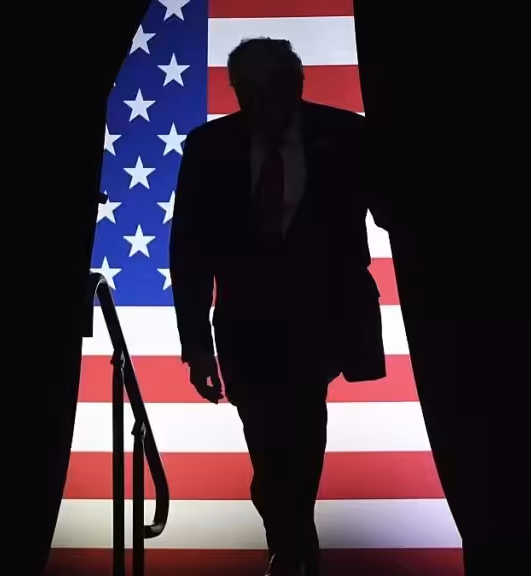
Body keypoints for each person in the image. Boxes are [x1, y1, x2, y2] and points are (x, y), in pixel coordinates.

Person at [169, 37, 386, 576]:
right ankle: (292, 539)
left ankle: (291, 550)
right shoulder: (208, 147)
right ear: (237, 90)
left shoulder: (347, 136)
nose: (261, 102)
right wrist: (195, 345)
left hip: (321, 320)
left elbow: (390, 211)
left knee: (302, 426)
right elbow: (190, 251)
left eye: (274, 88)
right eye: (249, 90)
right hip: (245, 325)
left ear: (297, 85)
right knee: (268, 441)